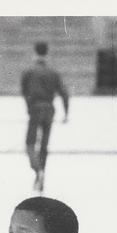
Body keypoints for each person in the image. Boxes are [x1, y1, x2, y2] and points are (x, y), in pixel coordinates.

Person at [21, 41, 69, 192]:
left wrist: (29, 107)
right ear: (47, 54)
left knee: (30, 144)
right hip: (49, 109)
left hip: (35, 109)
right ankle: (41, 176)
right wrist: (66, 113)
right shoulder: (53, 73)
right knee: (44, 146)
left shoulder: (28, 72)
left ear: (34, 53)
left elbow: (24, 92)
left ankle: (37, 170)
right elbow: (64, 94)